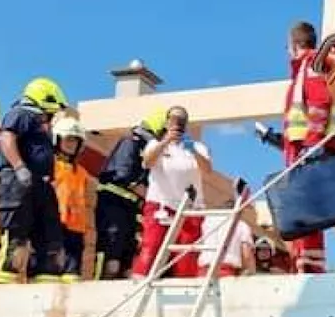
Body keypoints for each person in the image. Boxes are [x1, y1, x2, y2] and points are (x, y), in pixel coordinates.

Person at [280, 20, 335, 274]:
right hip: (304, 148)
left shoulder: (311, 66)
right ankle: (305, 265)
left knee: (307, 211)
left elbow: (320, 102)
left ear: (294, 44)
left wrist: (311, 144)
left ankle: (309, 268)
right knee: (304, 211)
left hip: (308, 151)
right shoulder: (309, 67)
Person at [0, 78, 69, 284]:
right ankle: (6, 284)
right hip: (18, 183)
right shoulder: (21, 114)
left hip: (40, 185)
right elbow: (7, 138)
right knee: (16, 236)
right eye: (51, 111)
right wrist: (19, 167)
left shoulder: (39, 124)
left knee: (49, 237)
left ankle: (45, 281)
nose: (52, 116)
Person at [132, 106, 212, 278]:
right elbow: (147, 162)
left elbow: (207, 170)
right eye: (174, 119)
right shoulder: (155, 145)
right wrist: (165, 142)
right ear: (167, 122)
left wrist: (193, 151)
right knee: (151, 246)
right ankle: (139, 282)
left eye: (182, 120)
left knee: (187, 254)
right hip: (162, 205)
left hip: (190, 208)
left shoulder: (198, 147)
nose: (178, 124)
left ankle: (186, 286)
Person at [94, 111, 160, 280]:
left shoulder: (146, 150)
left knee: (127, 256)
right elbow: (124, 175)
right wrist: (151, 195)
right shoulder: (131, 143)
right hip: (113, 207)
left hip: (130, 209)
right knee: (111, 256)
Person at [50, 114, 91, 283]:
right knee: (49, 269)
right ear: (57, 140)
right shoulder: (50, 164)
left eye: (75, 141)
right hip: (54, 222)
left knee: (72, 274)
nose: (71, 144)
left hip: (76, 227)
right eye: (67, 139)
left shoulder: (82, 172)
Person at [197, 179, 256, 278]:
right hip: (225, 271)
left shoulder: (207, 221)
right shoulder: (241, 225)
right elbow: (246, 255)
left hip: (202, 272)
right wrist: (251, 271)